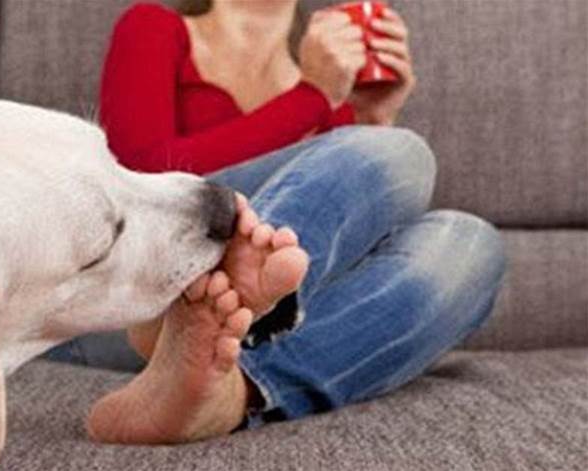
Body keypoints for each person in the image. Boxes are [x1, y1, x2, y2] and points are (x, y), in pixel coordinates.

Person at [45, 0, 506, 444]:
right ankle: (193, 309)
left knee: (469, 243)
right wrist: (314, 98)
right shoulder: (153, 26)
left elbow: (345, 249)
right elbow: (138, 176)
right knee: (401, 153)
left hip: (215, 350)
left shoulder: (335, 96)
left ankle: (237, 391)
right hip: (130, 307)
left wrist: (369, 115)